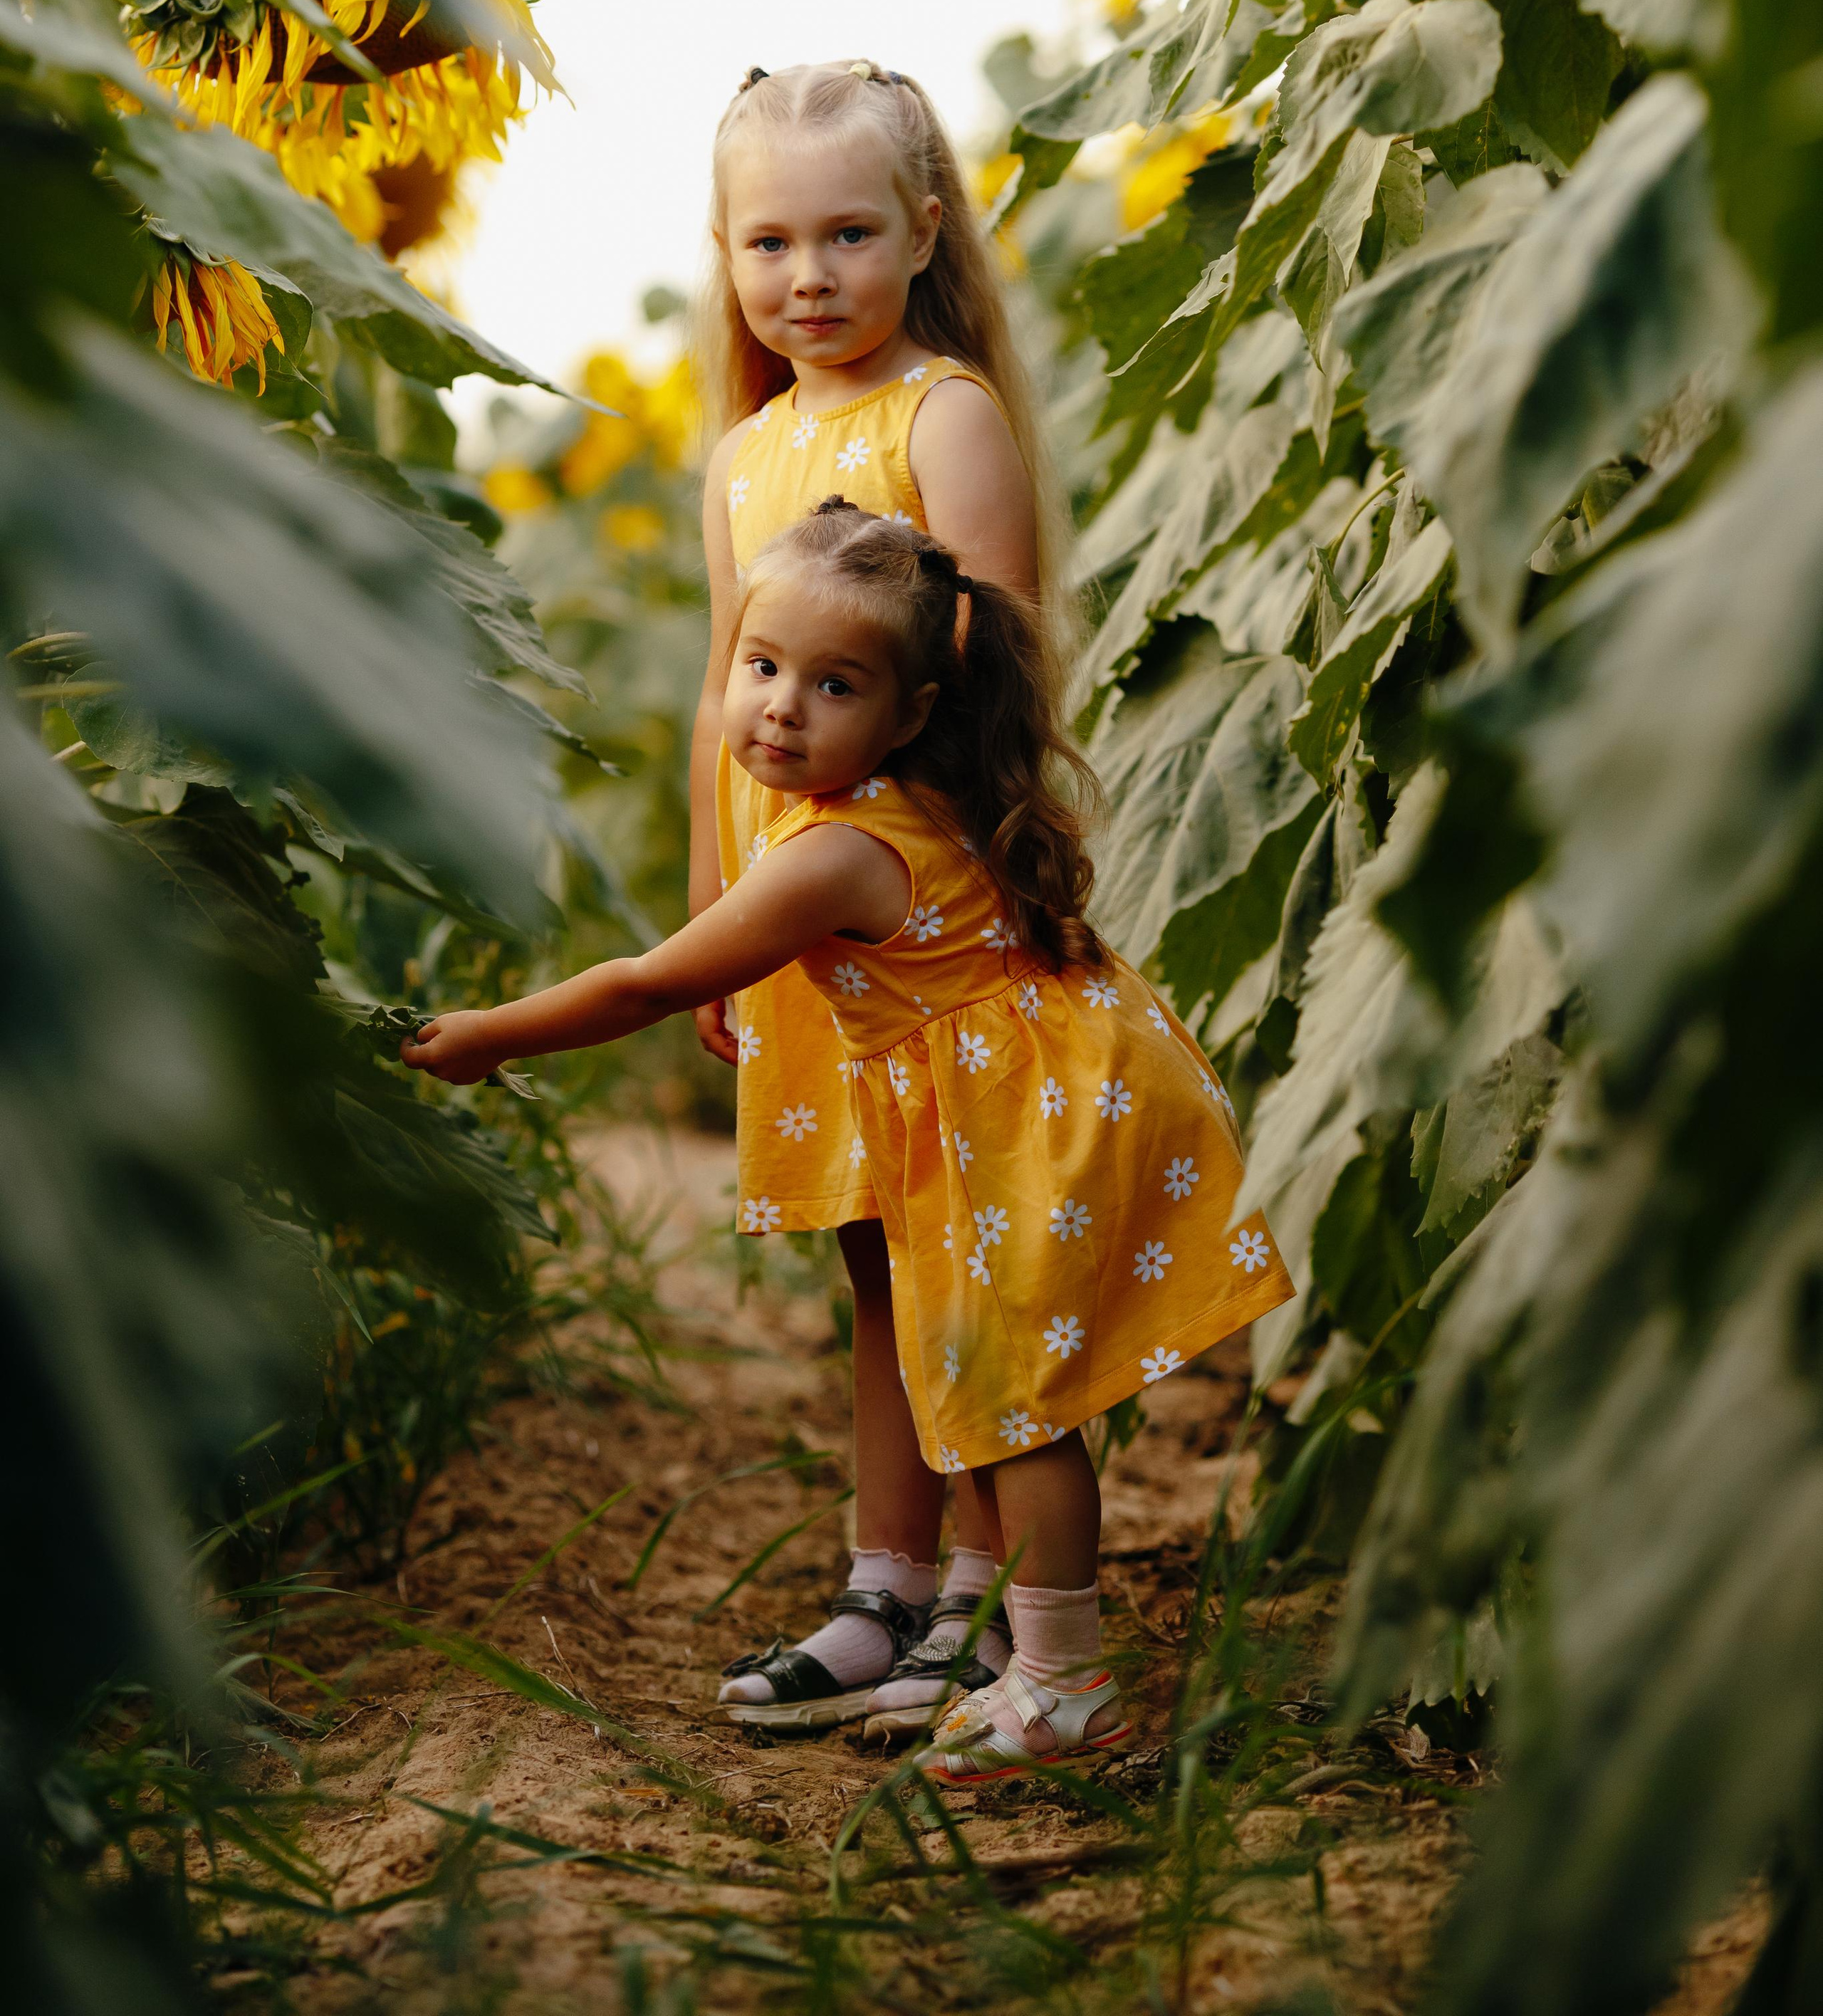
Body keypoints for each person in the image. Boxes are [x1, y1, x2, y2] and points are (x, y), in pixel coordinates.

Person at [403, 501, 1294, 1778]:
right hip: (1042, 1094)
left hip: (1034, 1116)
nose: (778, 707)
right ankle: (1016, 1654)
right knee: (989, 1393)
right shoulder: (892, 798)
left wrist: (495, 1032)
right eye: (760, 666)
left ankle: (1064, 1681)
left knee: (1020, 1407)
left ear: (912, 710)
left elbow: (649, 984)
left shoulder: (836, 850)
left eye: (834, 684)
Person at [686, 57, 1067, 1738]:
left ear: (922, 231)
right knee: (868, 1258)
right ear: (728, 254)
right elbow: (723, 691)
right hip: (795, 910)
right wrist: (712, 899)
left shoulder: (943, 415)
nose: (808, 277)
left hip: (917, 910)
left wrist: (928, 866)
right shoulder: (745, 454)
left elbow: (995, 646)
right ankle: (884, 1588)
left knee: (959, 1252)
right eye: (766, 241)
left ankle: (993, 1606)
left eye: (847, 232)